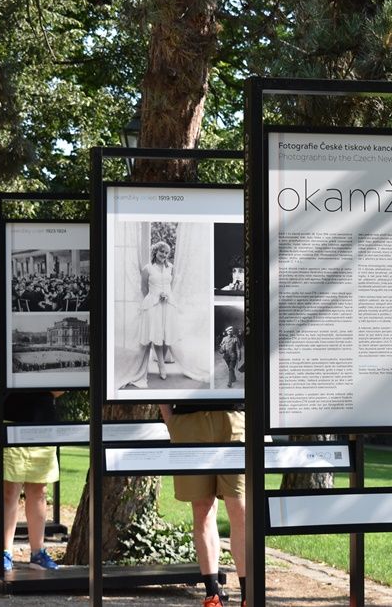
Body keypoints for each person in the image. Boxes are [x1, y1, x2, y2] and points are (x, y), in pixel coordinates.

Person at [160, 403, 247, 607]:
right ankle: (212, 595)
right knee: (202, 509)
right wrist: (171, 421)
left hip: (234, 417)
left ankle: (248, 596)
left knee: (240, 509)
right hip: (189, 421)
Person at [0, 349, 62, 571]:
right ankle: (4, 553)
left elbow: (59, 390)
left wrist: (39, 372)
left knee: (39, 492)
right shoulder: (3, 337)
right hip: (10, 422)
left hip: (43, 425)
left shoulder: (48, 346)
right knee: (9, 491)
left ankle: (38, 553)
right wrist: (15, 369)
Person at [139, 241, 176, 383]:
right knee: (156, 333)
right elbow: (143, 288)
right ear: (155, 251)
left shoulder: (171, 268)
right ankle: (161, 364)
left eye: (166, 253)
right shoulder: (147, 268)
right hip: (153, 305)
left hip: (168, 303)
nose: (164, 255)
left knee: (167, 334)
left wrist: (167, 295)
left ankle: (161, 362)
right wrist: (155, 297)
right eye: (161, 252)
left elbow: (171, 285)